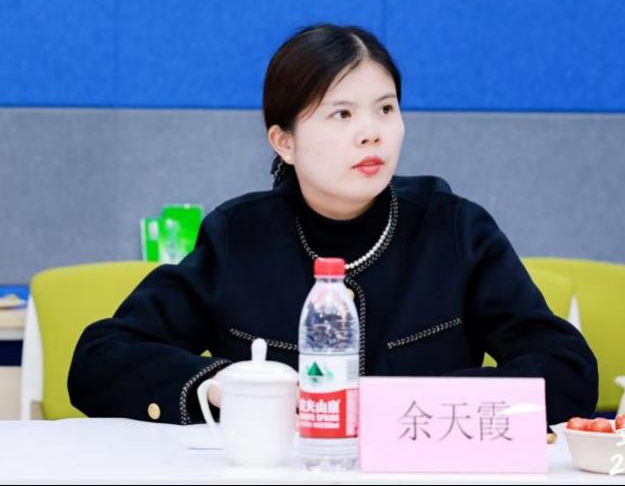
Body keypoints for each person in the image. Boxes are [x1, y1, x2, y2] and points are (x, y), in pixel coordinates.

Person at [68, 23, 598, 426]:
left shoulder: (454, 229)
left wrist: (409, 406)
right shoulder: (238, 237)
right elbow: (99, 359)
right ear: (284, 142)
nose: (372, 133)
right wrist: (218, 384)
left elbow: (567, 370)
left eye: (385, 109)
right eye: (342, 114)